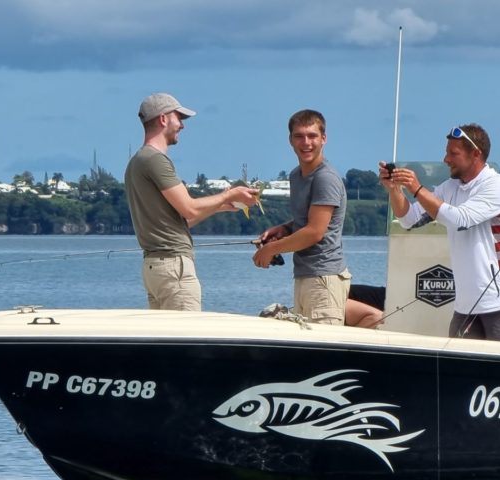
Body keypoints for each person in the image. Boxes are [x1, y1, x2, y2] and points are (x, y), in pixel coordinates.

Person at [379, 124, 500, 342]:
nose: (446, 159)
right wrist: (394, 189)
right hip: (466, 305)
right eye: (447, 152)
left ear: (476, 154)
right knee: (461, 372)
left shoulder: (498, 186)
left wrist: (417, 189)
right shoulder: (450, 188)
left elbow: (460, 219)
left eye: (453, 153)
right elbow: (408, 220)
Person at [125, 92, 259, 311]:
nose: (182, 126)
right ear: (163, 119)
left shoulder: (136, 163)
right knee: (185, 340)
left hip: (154, 268)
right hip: (173, 267)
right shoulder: (155, 160)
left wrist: (220, 207)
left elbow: (176, 222)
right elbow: (188, 208)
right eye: (179, 118)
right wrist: (229, 195)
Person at [254, 109, 350, 325]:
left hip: (325, 279)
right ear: (290, 140)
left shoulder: (325, 178)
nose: (306, 142)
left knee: (323, 355)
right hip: (304, 276)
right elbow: (307, 221)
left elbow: (315, 232)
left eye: (312, 136)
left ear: (323, 139)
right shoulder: (296, 175)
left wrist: (270, 249)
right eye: (299, 136)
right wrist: (285, 229)